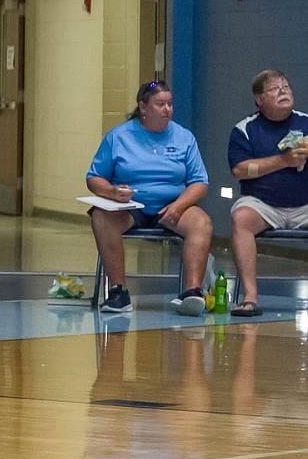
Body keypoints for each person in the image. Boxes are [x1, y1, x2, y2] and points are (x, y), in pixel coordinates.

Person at [85, 79, 212, 315]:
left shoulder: (184, 137)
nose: (167, 110)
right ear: (143, 108)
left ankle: (192, 292)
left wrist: (179, 205)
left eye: (170, 104)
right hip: (131, 206)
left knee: (201, 222)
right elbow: (94, 178)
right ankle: (118, 291)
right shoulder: (119, 136)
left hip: (173, 205)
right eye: (160, 104)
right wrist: (113, 192)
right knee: (101, 217)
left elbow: (200, 182)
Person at [226, 69, 308, 318]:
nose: (283, 91)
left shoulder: (305, 122)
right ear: (259, 100)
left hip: (304, 205)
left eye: (286, 87)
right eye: (275, 89)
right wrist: (283, 161)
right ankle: (250, 296)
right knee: (241, 218)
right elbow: (240, 171)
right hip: (263, 204)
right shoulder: (245, 130)